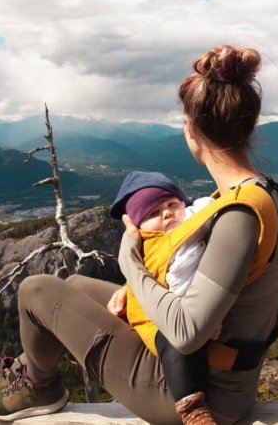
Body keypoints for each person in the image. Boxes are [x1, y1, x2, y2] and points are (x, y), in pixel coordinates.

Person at [0, 44, 278, 424]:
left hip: (197, 394)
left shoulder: (239, 215)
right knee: (77, 287)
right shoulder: (255, 193)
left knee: (35, 290)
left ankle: (40, 384)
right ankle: (27, 375)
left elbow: (185, 333)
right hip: (214, 374)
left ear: (191, 129)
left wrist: (130, 263)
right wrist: (138, 290)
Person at [106, 170, 218, 423]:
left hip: (190, 311)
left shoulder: (190, 226)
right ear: (139, 227)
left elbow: (209, 207)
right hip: (154, 317)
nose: (166, 213)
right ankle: (192, 410)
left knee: (183, 341)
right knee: (175, 343)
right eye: (153, 213)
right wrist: (127, 287)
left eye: (171, 204)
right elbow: (150, 271)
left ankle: (197, 406)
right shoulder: (150, 244)